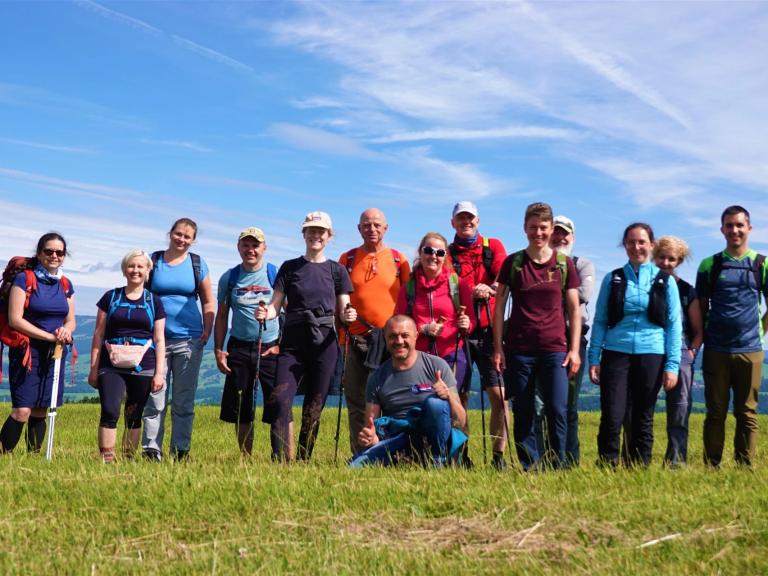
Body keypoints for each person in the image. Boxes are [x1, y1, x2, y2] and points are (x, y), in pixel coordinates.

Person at [256, 211, 357, 461]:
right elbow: (275, 306)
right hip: (292, 345)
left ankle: (303, 458)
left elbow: (344, 309)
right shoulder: (290, 268)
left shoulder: (337, 271)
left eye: (321, 231)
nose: (316, 235)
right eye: (311, 230)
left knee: (314, 407)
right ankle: (280, 460)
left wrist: (349, 316)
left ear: (329, 236)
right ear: (304, 234)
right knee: (280, 398)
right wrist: (265, 312)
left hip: (325, 345)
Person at [492, 203, 581, 470]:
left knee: (557, 408)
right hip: (519, 348)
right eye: (533, 227)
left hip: (555, 348)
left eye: (543, 228)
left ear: (551, 229)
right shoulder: (514, 263)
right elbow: (498, 307)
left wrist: (574, 349)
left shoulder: (564, 264)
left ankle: (558, 463)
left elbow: (575, 309)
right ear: (525, 229)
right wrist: (498, 348)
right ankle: (530, 464)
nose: (538, 233)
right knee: (524, 411)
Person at [588, 223, 681, 468]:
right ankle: (607, 463)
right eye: (631, 242)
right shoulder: (613, 278)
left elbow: (673, 324)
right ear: (625, 245)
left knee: (643, 415)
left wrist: (672, 365)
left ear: (651, 245)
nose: (636, 247)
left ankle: (640, 465)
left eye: (642, 242)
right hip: (616, 352)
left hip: (652, 353)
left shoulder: (665, 281)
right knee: (612, 413)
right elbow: (600, 320)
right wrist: (594, 357)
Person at [696, 205, 768, 468]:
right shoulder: (709, 265)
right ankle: (711, 465)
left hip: (751, 348)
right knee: (715, 412)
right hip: (715, 348)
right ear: (722, 229)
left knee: (747, 412)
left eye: (739, 225)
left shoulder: (762, 263)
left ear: (749, 228)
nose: (734, 230)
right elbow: (700, 307)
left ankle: (744, 466)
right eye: (729, 225)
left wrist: (760, 330)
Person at [349, 314, 467, 468]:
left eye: (405, 335)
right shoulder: (377, 377)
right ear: (385, 338)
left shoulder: (437, 366)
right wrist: (371, 439)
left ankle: (438, 461)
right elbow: (371, 426)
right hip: (398, 438)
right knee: (356, 467)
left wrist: (449, 397)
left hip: (432, 437)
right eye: (393, 336)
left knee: (435, 404)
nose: (399, 341)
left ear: (415, 336)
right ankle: (408, 459)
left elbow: (462, 420)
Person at [141, 217, 215, 462]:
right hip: (155, 340)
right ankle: (152, 449)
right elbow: (137, 292)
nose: (182, 239)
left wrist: (208, 329)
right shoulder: (154, 261)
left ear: (193, 241)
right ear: (170, 233)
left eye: (187, 237)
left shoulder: (196, 263)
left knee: (184, 400)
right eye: (178, 234)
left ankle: (180, 450)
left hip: (189, 340)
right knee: (155, 398)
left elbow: (207, 300)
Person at [339, 208, 410, 455]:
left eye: (377, 225)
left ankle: (391, 452)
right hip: (354, 338)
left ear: (386, 228)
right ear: (359, 229)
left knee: (391, 399)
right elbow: (339, 299)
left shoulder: (399, 260)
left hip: (392, 341)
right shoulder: (346, 259)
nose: (372, 229)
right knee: (357, 401)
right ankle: (361, 454)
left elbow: (408, 302)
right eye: (367, 225)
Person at [0, 232, 76, 454]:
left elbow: (70, 320)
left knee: (41, 408)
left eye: (59, 252)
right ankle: (4, 455)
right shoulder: (25, 279)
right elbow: (15, 319)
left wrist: (65, 331)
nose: (54, 256)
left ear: (64, 255)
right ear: (40, 253)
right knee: (22, 409)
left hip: (55, 352)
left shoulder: (65, 283)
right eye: (49, 251)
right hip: (27, 351)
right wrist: (49, 337)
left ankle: (33, 456)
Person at [447, 200, 509, 470]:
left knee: (499, 395)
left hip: (488, 331)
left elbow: (504, 279)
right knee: (459, 396)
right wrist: (470, 290)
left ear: (478, 220)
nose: (466, 222)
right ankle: (462, 455)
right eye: (461, 218)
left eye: (470, 218)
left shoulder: (492, 246)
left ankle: (498, 457)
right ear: (453, 223)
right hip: (459, 330)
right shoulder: (447, 253)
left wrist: (489, 288)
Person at [88, 251, 166, 462]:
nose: (135, 270)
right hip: (110, 364)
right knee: (110, 410)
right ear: (124, 269)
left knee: (134, 413)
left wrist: (160, 373)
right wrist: (94, 368)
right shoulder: (110, 297)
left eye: (141, 267)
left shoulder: (154, 301)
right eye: (131, 266)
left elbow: (159, 339)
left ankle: (128, 459)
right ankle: (107, 460)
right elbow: (99, 334)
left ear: (148, 271)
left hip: (144, 365)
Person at [214, 227, 284, 456]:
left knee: (276, 402)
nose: (250, 250)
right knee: (243, 404)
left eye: (255, 245)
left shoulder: (275, 274)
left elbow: (289, 311)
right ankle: (246, 457)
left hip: (270, 346)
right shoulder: (230, 277)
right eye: (246, 245)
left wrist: (281, 344)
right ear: (238, 247)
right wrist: (218, 349)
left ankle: (279, 456)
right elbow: (222, 315)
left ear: (264, 248)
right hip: (240, 346)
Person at [533, 215, 595, 467]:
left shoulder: (583, 264)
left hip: (573, 341)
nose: (559, 238)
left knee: (567, 407)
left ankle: (568, 462)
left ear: (573, 237)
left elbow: (583, 294)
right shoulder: (535, 263)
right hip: (539, 341)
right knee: (538, 407)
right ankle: (538, 462)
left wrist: (543, 290)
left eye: (564, 233)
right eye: (555, 233)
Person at [395, 232, 475, 394]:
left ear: (445, 257)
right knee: (422, 405)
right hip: (417, 357)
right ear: (420, 252)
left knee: (448, 404)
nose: (434, 256)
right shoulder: (408, 287)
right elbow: (398, 324)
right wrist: (423, 329)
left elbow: (471, 320)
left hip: (452, 355)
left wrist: (467, 324)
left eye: (440, 253)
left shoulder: (457, 284)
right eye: (429, 250)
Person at [653, 236, 703, 466]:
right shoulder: (647, 284)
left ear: (679, 261)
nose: (665, 262)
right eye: (661, 257)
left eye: (671, 259)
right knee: (639, 406)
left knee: (680, 408)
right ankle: (636, 457)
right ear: (654, 257)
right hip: (650, 348)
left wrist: (691, 352)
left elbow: (698, 330)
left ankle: (675, 460)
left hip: (681, 349)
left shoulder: (686, 290)